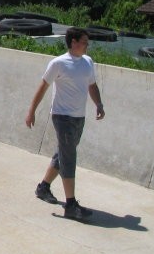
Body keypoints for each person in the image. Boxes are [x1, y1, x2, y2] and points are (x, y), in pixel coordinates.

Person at [25, 27, 105, 220]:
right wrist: (32, 111)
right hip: (62, 117)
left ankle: (43, 187)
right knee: (69, 157)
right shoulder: (58, 63)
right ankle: (71, 205)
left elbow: (92, 85)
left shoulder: (88, 62)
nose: (87, 45)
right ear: (73, 42)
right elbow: (43, 86)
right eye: (85, 42)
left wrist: (99, 104)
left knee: (64, 153)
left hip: (79, 117)